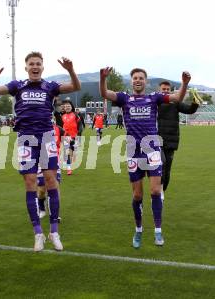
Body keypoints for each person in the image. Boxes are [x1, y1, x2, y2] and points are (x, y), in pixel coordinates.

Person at [0, 52, 81, 251]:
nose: (35, 66)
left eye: (38, 63)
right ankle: (38, 233)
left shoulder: (50, 86)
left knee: (51, 181)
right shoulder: (17, 86)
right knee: (30, 182)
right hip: (26, 138)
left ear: (42, 67)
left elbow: (76, 86)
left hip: (46, 136)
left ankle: (54, 231)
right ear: (26, 67)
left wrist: (71, 70)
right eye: (32, 64)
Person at [100, 67, 190, 248]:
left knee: (156, 191)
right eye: (135, 78)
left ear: (146, 81)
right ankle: (139, 230)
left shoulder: (154, 98)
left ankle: (158, 231)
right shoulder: (125, 98)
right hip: (134, 152)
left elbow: (176, 98)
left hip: (153, 149)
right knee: (137, 195)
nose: (138, 80)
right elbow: (104, 93)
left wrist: (185, 84)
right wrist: (103, 78)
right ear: (131, 81)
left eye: (141, 78)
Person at [157, 81, 199, 195]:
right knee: (162, 164)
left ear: (170, 90)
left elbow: (189, 110)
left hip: (171, 140)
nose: (165, 91)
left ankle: (162, 191)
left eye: (167, 89)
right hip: (157, 141)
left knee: (167, 169)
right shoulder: (155, 102)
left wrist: (195, 103)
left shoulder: (175, 102)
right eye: (163, 89)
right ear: (159, 89)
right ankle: (158, 190)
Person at [37, 117, 65, 218]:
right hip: (40, 162)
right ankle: (41, 207)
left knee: (55, 188)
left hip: (54, 162)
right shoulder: (35, 130)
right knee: (41, 191)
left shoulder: (59, 129)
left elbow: (65, 141)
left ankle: (55, 214)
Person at [62, 100, 80, 175]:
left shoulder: (75, 115)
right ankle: (69, 169)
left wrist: (77, 134)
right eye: (65, 106)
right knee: (67, 153)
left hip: (74, 136)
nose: (67, 107)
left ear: (71, 107)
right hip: (66, 137)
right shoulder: (63, 116)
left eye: (68, 106)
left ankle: (71, 161)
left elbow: (80, 126)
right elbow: (62, 127)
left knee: (74, 152)